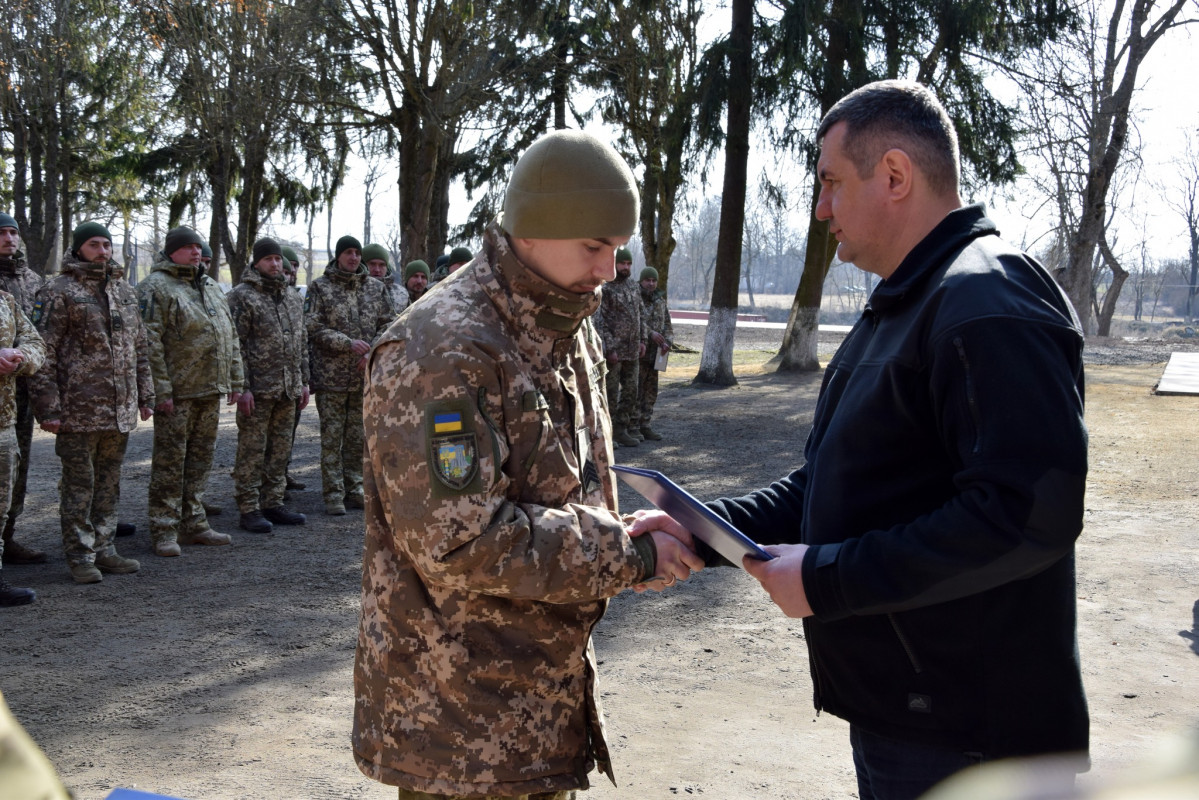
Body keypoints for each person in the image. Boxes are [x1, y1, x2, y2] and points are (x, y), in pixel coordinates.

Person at [632, 80, 1090, 799]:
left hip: (973, 738)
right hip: (910, 719)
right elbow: (829, 487)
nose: (821, 211)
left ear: (895, 175)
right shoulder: (907, 304)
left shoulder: (985, 299)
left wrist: (827, 578)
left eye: (830, 183)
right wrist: (699, 526)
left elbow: (1025, 513)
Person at [353, 128, 703, 800]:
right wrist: (625, 555)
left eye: (617, 249)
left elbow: (554, 489)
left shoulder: (558, 319)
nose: (608, 269)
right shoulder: (443, 348)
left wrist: (627, 529)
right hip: (460, 726)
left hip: (532, 704)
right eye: (594, 246)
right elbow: (459, 540)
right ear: (535, 232)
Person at [30, 222, 153, 584]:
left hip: (118, 410)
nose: (103, 251)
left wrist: (146, 395)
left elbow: (140, 347)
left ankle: (105, 547)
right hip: (77, 410)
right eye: (94, 244)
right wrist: (48, 408)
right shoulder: (58, 291)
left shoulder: (123, 290)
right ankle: (80, 555)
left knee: (109, 483)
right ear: (79, 249)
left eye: (107, 244)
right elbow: (43, 353)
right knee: (79, 485)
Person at [137, 226, 244, 557]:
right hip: (178, 392)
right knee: (170, 463)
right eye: (187, 247)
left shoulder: (211, 286)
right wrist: (161, 390)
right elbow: (149, 342)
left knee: (199, 461)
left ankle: (194, 523)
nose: (196, 252)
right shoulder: (155, 287)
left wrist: (235, 379)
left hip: (209, 388)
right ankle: (164, 528)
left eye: (198, 247)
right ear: (172, 252)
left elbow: (230, 335)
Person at [304, 235, 392, 516]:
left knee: (357, 437)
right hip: (331, 377)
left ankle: (354, 488)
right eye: (348, 253)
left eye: (357, 253)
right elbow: (312, 326)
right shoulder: (320, 287)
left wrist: (371, 353)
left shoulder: (376, 289)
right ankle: (332, 493)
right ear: (338, 256)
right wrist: (346, 343)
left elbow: (390, 324)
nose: (353, 258)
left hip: (362, 376)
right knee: (332, 438)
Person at [227, 238, 310, 533]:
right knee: (252, 449)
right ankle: (249, 508)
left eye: (278, 259)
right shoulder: (242, 296)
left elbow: (301, 342)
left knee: (280, 449)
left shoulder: (292, 297)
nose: (275, 264)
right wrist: (243, 386)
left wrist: (303, 381)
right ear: (257, 262)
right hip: (258, 390)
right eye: (269, 259)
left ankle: (273, 502)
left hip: (287, 388)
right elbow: (235, 345)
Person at [0, 213, 47, 565]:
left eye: (13, 232)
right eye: (0, 233)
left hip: (22, 390)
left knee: (16, 467)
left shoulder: (33, 281)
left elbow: (40, 334)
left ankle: (7, 535)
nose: (8, 239)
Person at [0, 276, 43, 604]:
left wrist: (19, 356)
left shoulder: (6, 300)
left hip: (3, 421)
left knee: (1, 504)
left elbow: (36, 342)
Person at [595, 246, 646, 447]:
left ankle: (621, 430)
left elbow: (640, 315)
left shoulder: (633, 287)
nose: (626, 267)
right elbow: (600, 321)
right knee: (610, 393)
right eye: (622, 263)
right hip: (614, 352)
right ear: (614, 264)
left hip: (632, 350)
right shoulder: (605, 288)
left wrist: (643, 340)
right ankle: (606, 434)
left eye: (628, 264)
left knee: (631, 391)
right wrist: (609, 348)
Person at [632, 266, 672, 441]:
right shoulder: (634, 298)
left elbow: (668, 325)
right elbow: (634, 321)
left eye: (654, 280)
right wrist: (650, 334)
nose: (651, 283)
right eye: (648, 280)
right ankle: (632, 427)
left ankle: (645, 425)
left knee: (651, 391)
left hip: (656, 355)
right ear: (641, 281)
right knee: (635, 391)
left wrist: (667, 342)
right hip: (639, 352)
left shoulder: (660, 301)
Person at [280, 245, 307, 493]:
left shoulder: (297, 299)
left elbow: (302, 342)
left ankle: (282, 476)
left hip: (293, 382)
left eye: (295, 266)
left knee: (287, 434)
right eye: (289, 265)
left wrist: (305, 381)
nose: (292, 271)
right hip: (266, 385)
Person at [362, 242, 406, 316]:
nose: (377, 270)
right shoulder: (353, 291)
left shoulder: (401, 293)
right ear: (363, 265)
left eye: (382, 265)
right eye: (372, 264)